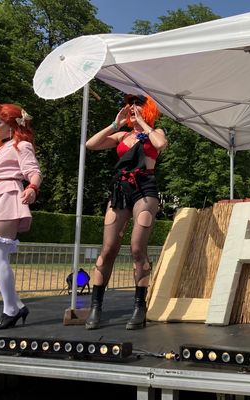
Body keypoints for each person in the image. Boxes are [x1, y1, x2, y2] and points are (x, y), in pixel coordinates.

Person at [85, 94, 168, 330]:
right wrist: (116, 124)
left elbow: (161, 144)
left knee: (136, 247)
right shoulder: (123, 135)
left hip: (145, 188)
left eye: (137, 107)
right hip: (121, 190)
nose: (132, 109)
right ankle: (96, 307)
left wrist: (143, 124)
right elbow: (90, 144)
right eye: (129, 107)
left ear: (148, 110)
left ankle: (139, 307)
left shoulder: (155, 131)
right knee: (108, 248)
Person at [0, 103, 42, 330]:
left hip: (7, 196)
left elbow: (34, 171)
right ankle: (17, 305)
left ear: (12, 124)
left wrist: (32, 187)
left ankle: (10, 309)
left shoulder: (21, 146)